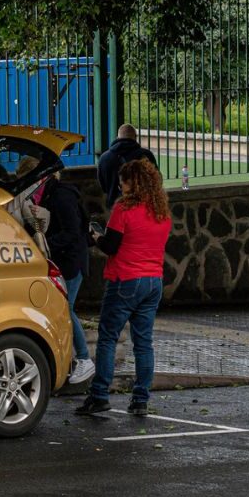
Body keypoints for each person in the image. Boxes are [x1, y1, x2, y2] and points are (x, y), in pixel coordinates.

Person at [76, 160, 172, 417]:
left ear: (134, 182)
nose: (120, 185)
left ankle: (99, 396)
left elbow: (111, 247)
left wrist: (96, 236)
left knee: (107, 337)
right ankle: (140, 399)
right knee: (144, 342)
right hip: (153, 281)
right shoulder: (161, 211)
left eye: (123, 181)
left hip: (126, 279)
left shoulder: (123, 209)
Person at [29, 174, 95, 384]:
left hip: (70, 262)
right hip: (66, 261)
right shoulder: (49, 195)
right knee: (64, 309)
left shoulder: (60, 196)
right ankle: (72, 359)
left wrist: (45, 243)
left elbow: (72, 232)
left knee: (66, 309)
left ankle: (84, 358)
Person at [97, 124, 157, 209]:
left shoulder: (104, 158)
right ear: (135, 137)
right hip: (141, 208)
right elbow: (156, 181)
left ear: (117, 138)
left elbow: (103, 186)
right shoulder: (146, 156)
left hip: (114, 207)